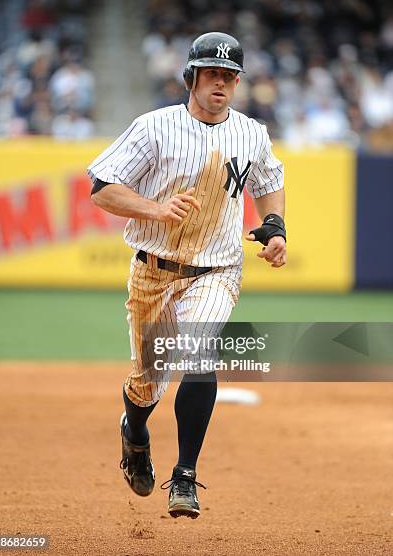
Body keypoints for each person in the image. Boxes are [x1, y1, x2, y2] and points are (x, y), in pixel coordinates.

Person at [87, 32, 286, 519]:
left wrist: (276, 226)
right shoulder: (153, 127)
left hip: (217, 269)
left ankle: (185, 476)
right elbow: (102, 189)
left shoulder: (251, 133)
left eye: (230, 76)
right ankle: (134, 432)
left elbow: (270, 181)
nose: (221, 83)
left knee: (200, 351)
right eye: (212, 73)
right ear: (192, 78)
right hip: (153, 272)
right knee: (146, 384)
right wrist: (154, 208)